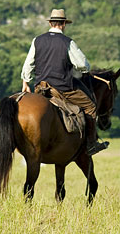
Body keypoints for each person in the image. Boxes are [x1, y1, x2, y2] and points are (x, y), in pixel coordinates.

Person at [20, 9, 109, 156]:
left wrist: (25, 82)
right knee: (91, 107)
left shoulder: (37, 40)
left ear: (50, 23)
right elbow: (83, 65)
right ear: (63, 25)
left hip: (40, 88)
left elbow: (28, 64)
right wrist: (79, 68)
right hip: (62, 88)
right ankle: (91, 144)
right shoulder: (68, 42)